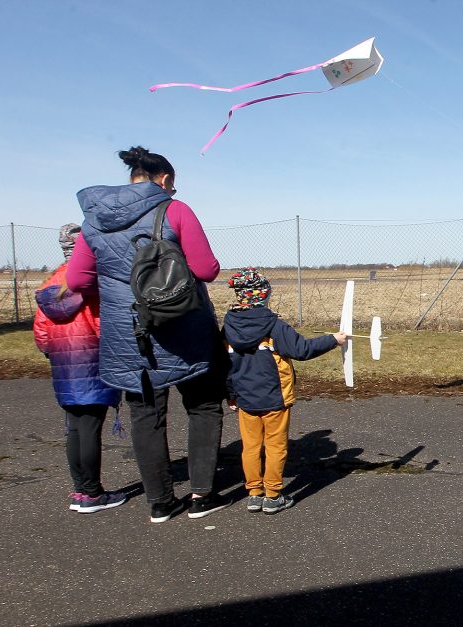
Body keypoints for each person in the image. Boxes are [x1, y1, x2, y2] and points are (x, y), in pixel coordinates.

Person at [67, 146, 231, 523]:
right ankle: (202, 494)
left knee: (146, 415)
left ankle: (160, 502)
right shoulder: (175, 209)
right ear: (165, 180)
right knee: (203, 407)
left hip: (129, 333)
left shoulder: (93, 220)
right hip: (184, 327)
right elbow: (206, 270)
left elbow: (77, 279)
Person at [222, 267, 346, 514]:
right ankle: (273, 495)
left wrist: (231, 394)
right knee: (276, 446)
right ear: (263, 294)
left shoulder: (228, 327)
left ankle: (254, 493)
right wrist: (334, 339)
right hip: (275, 399)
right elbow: (302, 350)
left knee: (251, 447)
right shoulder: (274, 325)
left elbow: (225, 364)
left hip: (245, 400)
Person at [34, 223, 124, 513]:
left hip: (63, 363)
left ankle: (80, 490)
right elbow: (103, 324)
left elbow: (42, 335)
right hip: (93, 360)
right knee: (89, 427)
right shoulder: (92, 282)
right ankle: (92, 493)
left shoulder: (50, 284)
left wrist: (54, 351)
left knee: (74, 427)